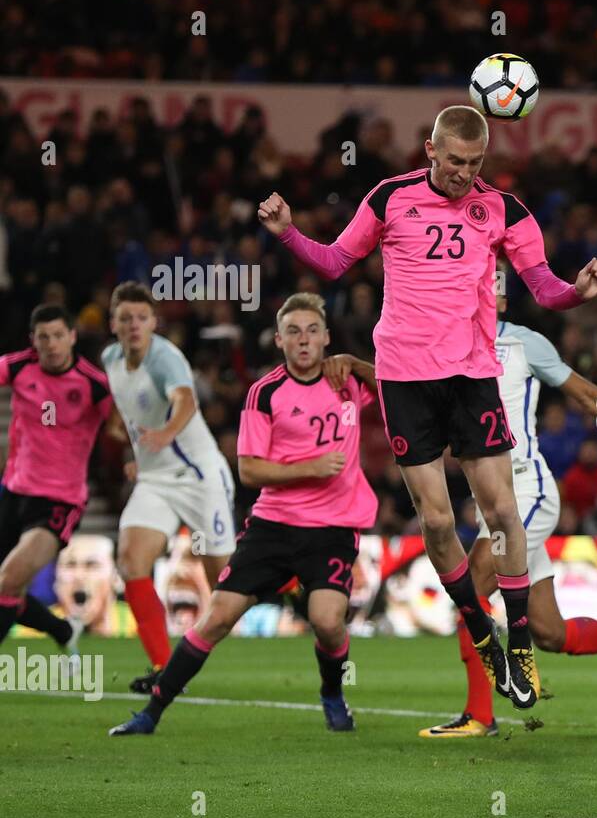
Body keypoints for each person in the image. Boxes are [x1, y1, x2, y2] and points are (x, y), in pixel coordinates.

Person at [259, 105, 597, 710]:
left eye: (474, 164)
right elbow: (337, 262)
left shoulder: (503, 209)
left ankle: (519, 645)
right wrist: (289, 232)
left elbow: (545, 288)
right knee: (439, 523)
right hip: (405, 380)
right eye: (453, 162)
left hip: (474, 376)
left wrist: (577, 292)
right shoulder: (390, 198)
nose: (462, 174)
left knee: (503, 512)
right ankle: (484, 636)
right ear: (430, 149)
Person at [407, 289, 597, 738]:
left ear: (501, 299)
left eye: (495, 283)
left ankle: (480, 713)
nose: (485, 290)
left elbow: (588, 394)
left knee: (473, 584)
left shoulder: (523, 343)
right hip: (488, 496)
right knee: (550, 632)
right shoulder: (445, 347)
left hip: (526, 489)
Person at [110, 293, 378, 736]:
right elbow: (250, 469)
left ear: (327, 337)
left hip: (333, 527)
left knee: (329, 622)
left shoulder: (348, 382)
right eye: (293, 332)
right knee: (216, 617)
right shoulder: (265, 392)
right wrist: (311, 467)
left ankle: (332, 693)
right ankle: (150, 713)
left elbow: (403, 388)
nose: (304, 340)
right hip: (273, 526)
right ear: (279, 340)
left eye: (313, 330)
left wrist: (354, 361)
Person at [101, 281, 235, 694]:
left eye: (141, 318)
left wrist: (163, 435)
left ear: (154, 322)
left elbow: (185, 403)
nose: (134, 325)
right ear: (113, 324)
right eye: (125, 318)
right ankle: (164, 669)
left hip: (198, 476)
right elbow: (125, 409)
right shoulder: (109, 359)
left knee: (227, 586)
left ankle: (287, 578)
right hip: (154, 481)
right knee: (130, 561)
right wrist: (133, 445)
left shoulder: (166, 358)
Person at [0, 305, 112, 661]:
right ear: (33, 340)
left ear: (73, 337)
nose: (51, 344)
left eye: (58, 336)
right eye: (43, 337)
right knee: (8, 586)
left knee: (8, 580)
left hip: (60, 502)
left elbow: (122, 426)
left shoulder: (94, 386)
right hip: (14, 492)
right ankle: (63, 629)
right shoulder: (18, 366)